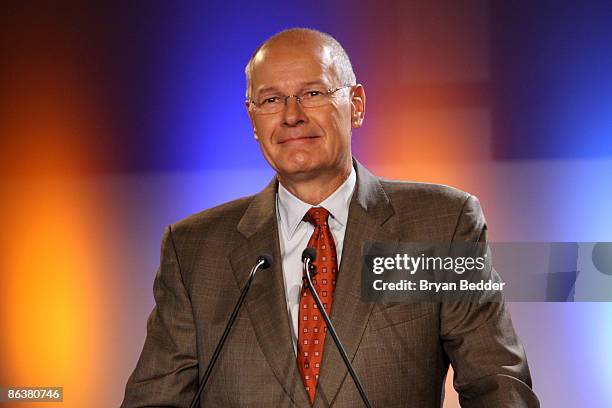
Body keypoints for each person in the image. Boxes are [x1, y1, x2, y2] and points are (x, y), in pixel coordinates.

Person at [121, 28, 539, 407]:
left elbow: (496, 386)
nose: (291, 115)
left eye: (313, 93)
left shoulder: (441, 223)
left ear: (355, 105)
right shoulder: (194, 249)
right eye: (270, 100)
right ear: (252, 120)